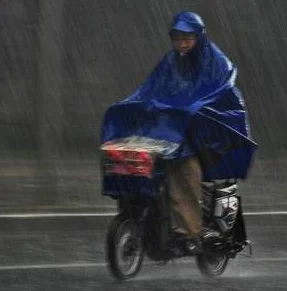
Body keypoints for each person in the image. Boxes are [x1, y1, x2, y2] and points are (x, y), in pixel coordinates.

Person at [101, 12, 257, 251]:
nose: (182, 43)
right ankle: (145, 213)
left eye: (188, 38)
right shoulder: (171, 62)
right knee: (136, 156)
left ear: (199, 36)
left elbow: (220, 90)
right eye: (177, 38)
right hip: (177, 132)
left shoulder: (215, 61)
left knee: (183, 167)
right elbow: (150, 88)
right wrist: (135, 104)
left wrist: (197, 106)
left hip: (210, 134)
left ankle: (189, 231)